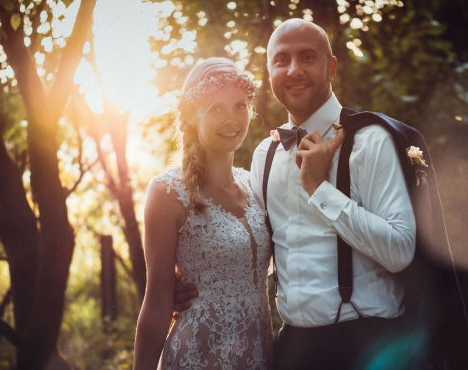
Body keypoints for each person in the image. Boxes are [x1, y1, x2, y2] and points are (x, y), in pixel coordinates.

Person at [176, 19, 431, 369]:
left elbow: (400, 251)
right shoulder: (265, 155)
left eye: (307, 57)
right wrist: (201, 283)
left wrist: (320, 189)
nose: (294, 70)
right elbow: (262, 249)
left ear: (331, 66)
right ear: (269, 73)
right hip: (294, 348)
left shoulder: (371, 141)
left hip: (368, 342)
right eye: (281, 60)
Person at [133, 57, 274, 370]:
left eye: (240, 106)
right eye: (216, 109)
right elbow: (156, 302)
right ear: (192, 117)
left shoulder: (256, 184)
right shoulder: (168, 192)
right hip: (197, 357)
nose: (232, 119)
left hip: (260, 356)